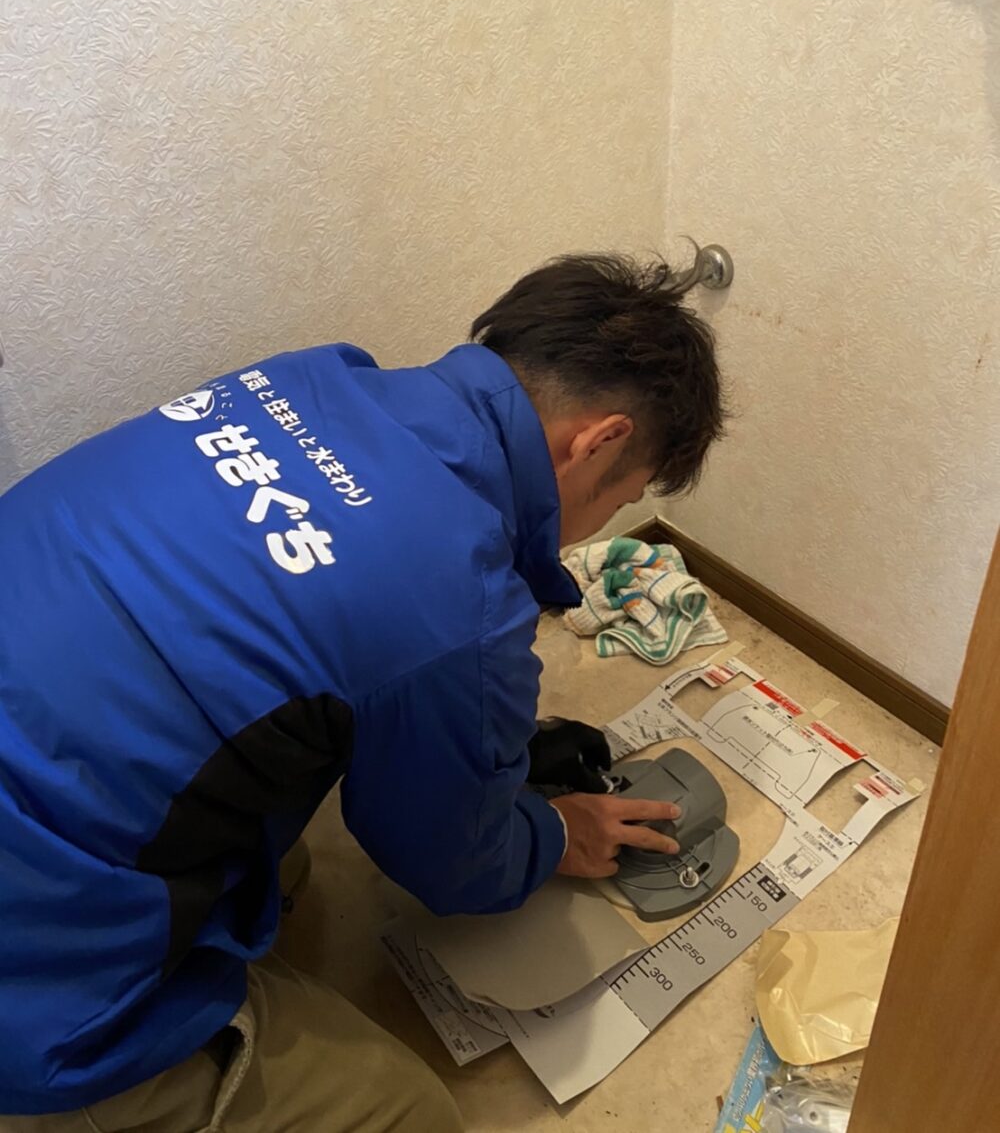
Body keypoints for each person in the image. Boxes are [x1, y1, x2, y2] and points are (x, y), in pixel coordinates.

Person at [0, 253, 724, 1132]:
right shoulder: (459, 599)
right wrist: (557, 832)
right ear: (599, 442)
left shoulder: (310, 379)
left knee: (291, 866)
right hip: (34, 984)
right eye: (625, 497)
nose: (604, 521)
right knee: (411, 1114)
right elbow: (453, 864)